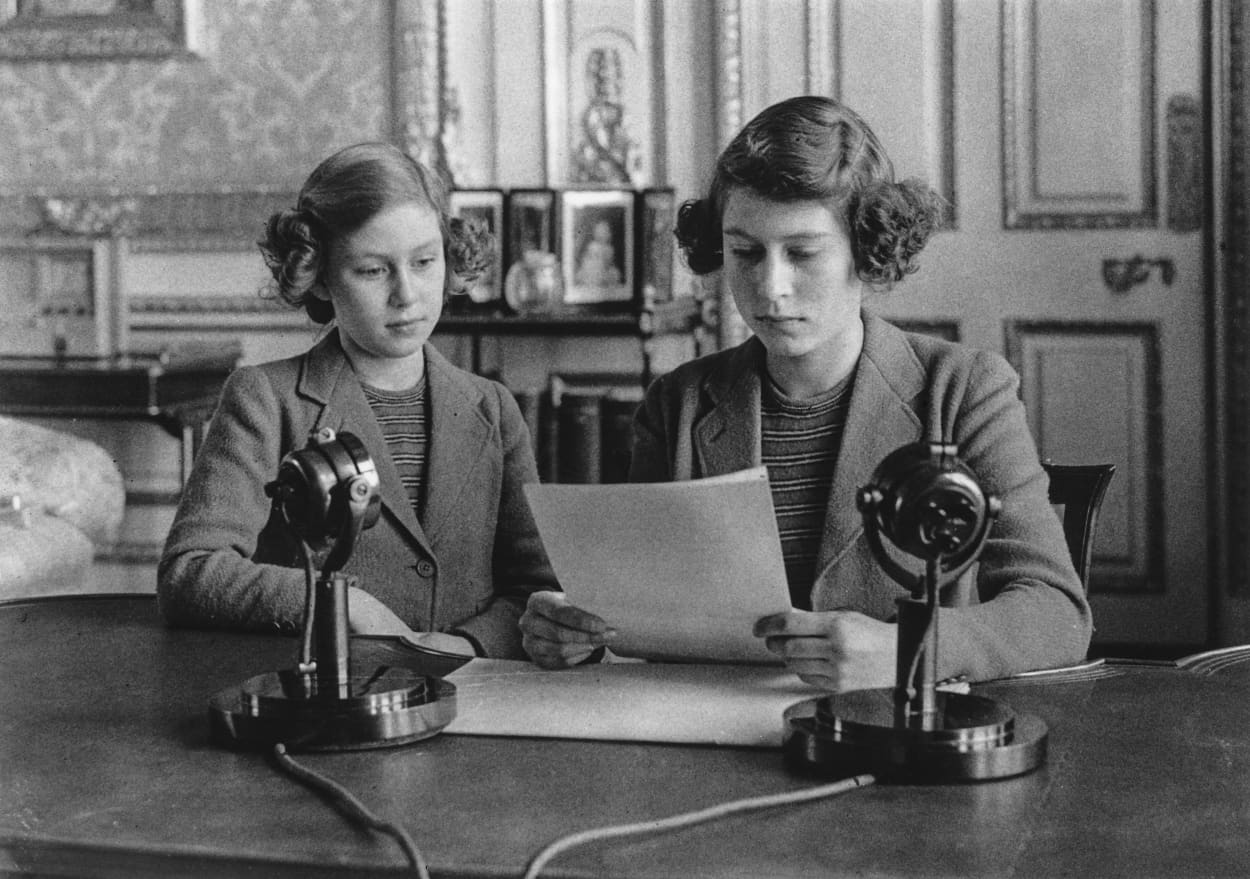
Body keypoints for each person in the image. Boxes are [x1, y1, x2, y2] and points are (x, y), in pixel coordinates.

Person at [519, 95, 1092, 688]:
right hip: (714, 741)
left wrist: (908, 650)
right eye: (744, 252)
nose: (771, 288)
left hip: (898, 740)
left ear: (868, 253)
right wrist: (573, 632)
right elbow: (636, 612)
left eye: (802, 253)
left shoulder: (964, 390)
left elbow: (1055, 612)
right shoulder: (678, 404)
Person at [158, 142, 556, 659]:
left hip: (470, 696)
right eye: (373, 271)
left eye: (424, 262)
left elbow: (534, 592)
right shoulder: (265, 399)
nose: (407, 294)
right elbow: (191, 570)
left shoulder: (494, 408)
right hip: (323, 700)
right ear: (319, 276)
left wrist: (464, 645)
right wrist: (337, 605)